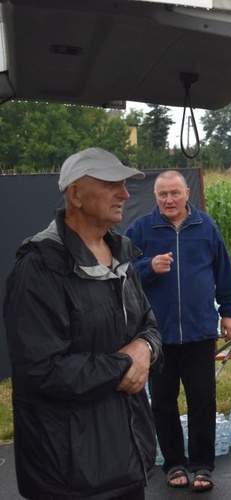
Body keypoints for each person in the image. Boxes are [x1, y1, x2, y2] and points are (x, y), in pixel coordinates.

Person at [3, 147, 162, 500]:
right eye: (110, 184)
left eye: (124, 184)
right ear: (74, 194)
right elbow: (39, 369)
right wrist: (125, 363)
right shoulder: (40, 266)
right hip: (71, 474)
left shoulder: (122, 254)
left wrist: (146, 346)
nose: (123, 193)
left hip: (128, 460)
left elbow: (148, 325)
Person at [125, 170, 231, 493]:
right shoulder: (141, 230)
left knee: (202, 399)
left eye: (174, 193)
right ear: (155, 197)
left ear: (187, 193)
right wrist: (149, 267)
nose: (169, 200)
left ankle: (202, 465)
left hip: (200, 331)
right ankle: (174, 462)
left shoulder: (206, 227)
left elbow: (223, 271)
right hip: (156, 335)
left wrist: (229, 311)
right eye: (162, 194)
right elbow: (120, 270)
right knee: (162, 401)